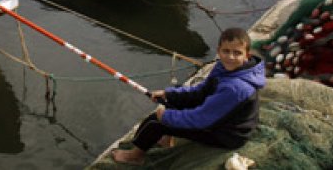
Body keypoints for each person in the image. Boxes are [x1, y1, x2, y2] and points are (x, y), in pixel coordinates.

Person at [111, 27, 265, 166]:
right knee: (172, 99)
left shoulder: (236, 88)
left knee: (155, 124)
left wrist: (166, 117)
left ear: (246, 55)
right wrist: (169, 94)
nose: (230, 56)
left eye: (237, 53)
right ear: (219, 51)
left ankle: (135, 156)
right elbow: (201, 91)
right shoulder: (223, 67)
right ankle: (167, 139)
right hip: (221, 117)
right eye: (226, 51)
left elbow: (201, 119)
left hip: (228, 134)